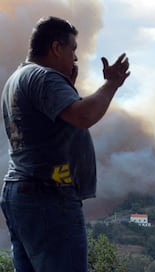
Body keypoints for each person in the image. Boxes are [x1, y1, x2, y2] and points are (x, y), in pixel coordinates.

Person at [0, 16, 130, 271]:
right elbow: (83, 116)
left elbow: (48, 125)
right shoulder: (44, 77)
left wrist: (68, 87)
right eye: (73, 50)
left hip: (23, 194)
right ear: (56, 48)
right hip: (48, 198)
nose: (76, 59)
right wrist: (112, 83)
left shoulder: (18, 77)